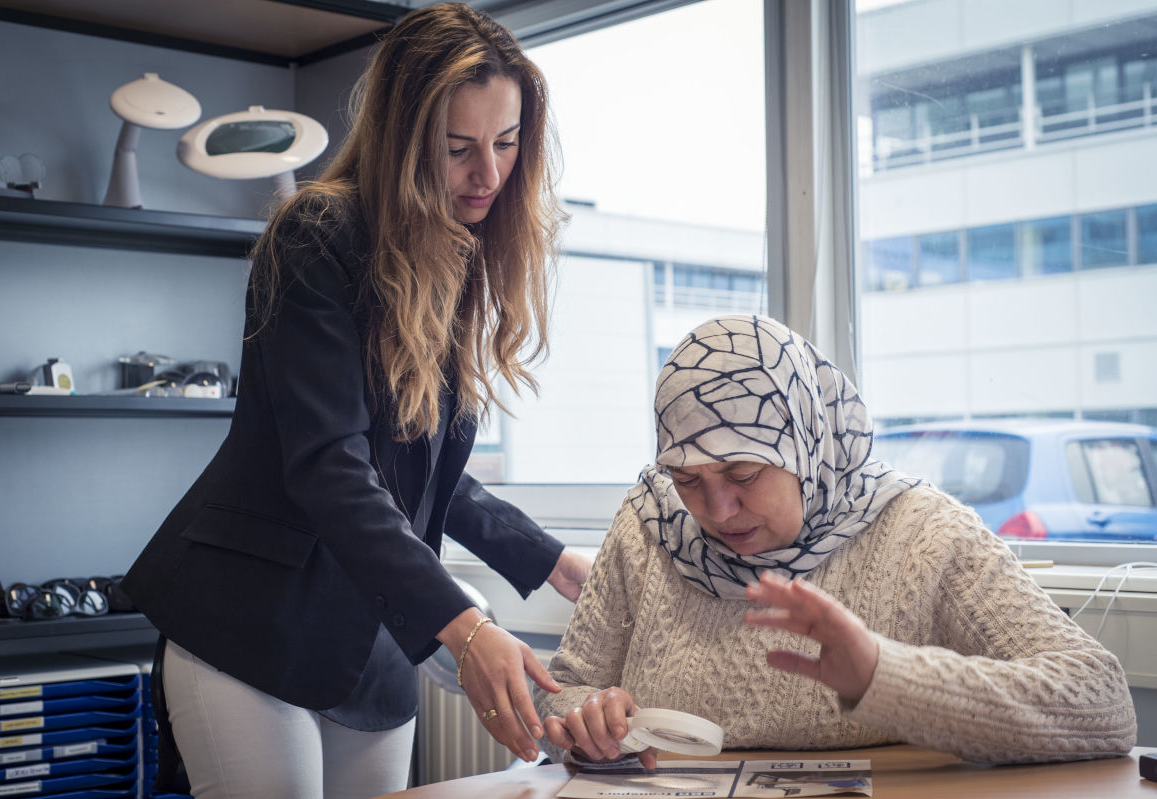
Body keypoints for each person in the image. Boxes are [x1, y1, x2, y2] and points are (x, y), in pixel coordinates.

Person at [121, 5, 591, 797]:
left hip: (368, 639)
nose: (489, 175)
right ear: (407, 140)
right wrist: (468, 628)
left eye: (507, 144)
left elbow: (415, 463)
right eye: (459, 148)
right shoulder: (316, 234)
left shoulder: (452, 255)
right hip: (249, 625)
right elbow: (332, 463)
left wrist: (548, 559)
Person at [535, 314, 1137, 768]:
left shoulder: (922, 534)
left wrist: (884, 675)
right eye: (687, 479)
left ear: (807, 449)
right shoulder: (649, 528)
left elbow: (1102, 703)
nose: (716, 509)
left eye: (744, 474)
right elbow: (563, 693)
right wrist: (585, 720)